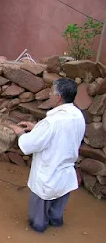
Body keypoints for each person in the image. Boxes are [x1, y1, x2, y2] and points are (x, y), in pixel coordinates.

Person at [11, 78, 85, 233]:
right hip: (65, 179)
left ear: (58, 97)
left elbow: (28, 145)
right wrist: (37, 127)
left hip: (47, 180)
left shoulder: (52, 122)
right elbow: (61, 135)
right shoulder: (77, 115)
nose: (49, 94)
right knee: (56, 219)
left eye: (51, 91)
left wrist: (19, 134)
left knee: (37, 224)